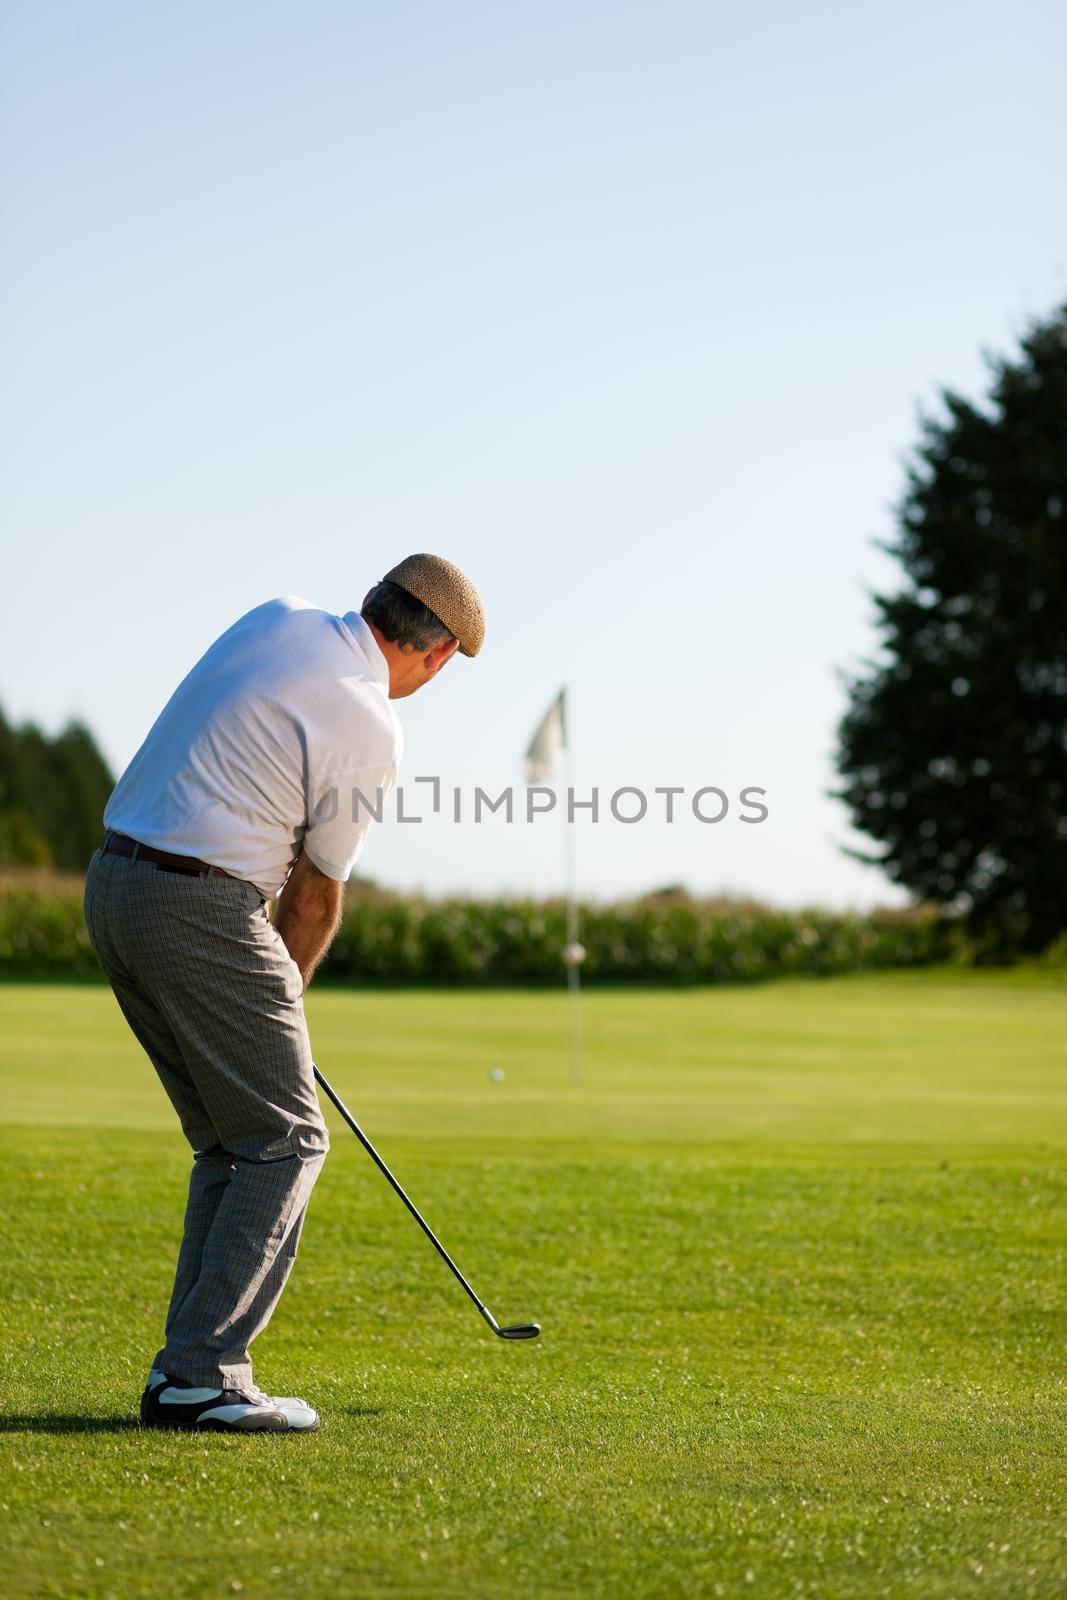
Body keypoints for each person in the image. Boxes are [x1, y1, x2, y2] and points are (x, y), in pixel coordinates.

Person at [83, 554, 484, 1433]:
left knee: (233, 1143)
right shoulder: (372, 722)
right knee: (286, 1140)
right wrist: (282, 1004)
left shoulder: (278, 616)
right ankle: (202, 1376)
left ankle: (186, 1372)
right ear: (439, 652)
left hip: (115, 886)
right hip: (200, 902)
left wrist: (268, 1013)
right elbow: (315, 894)